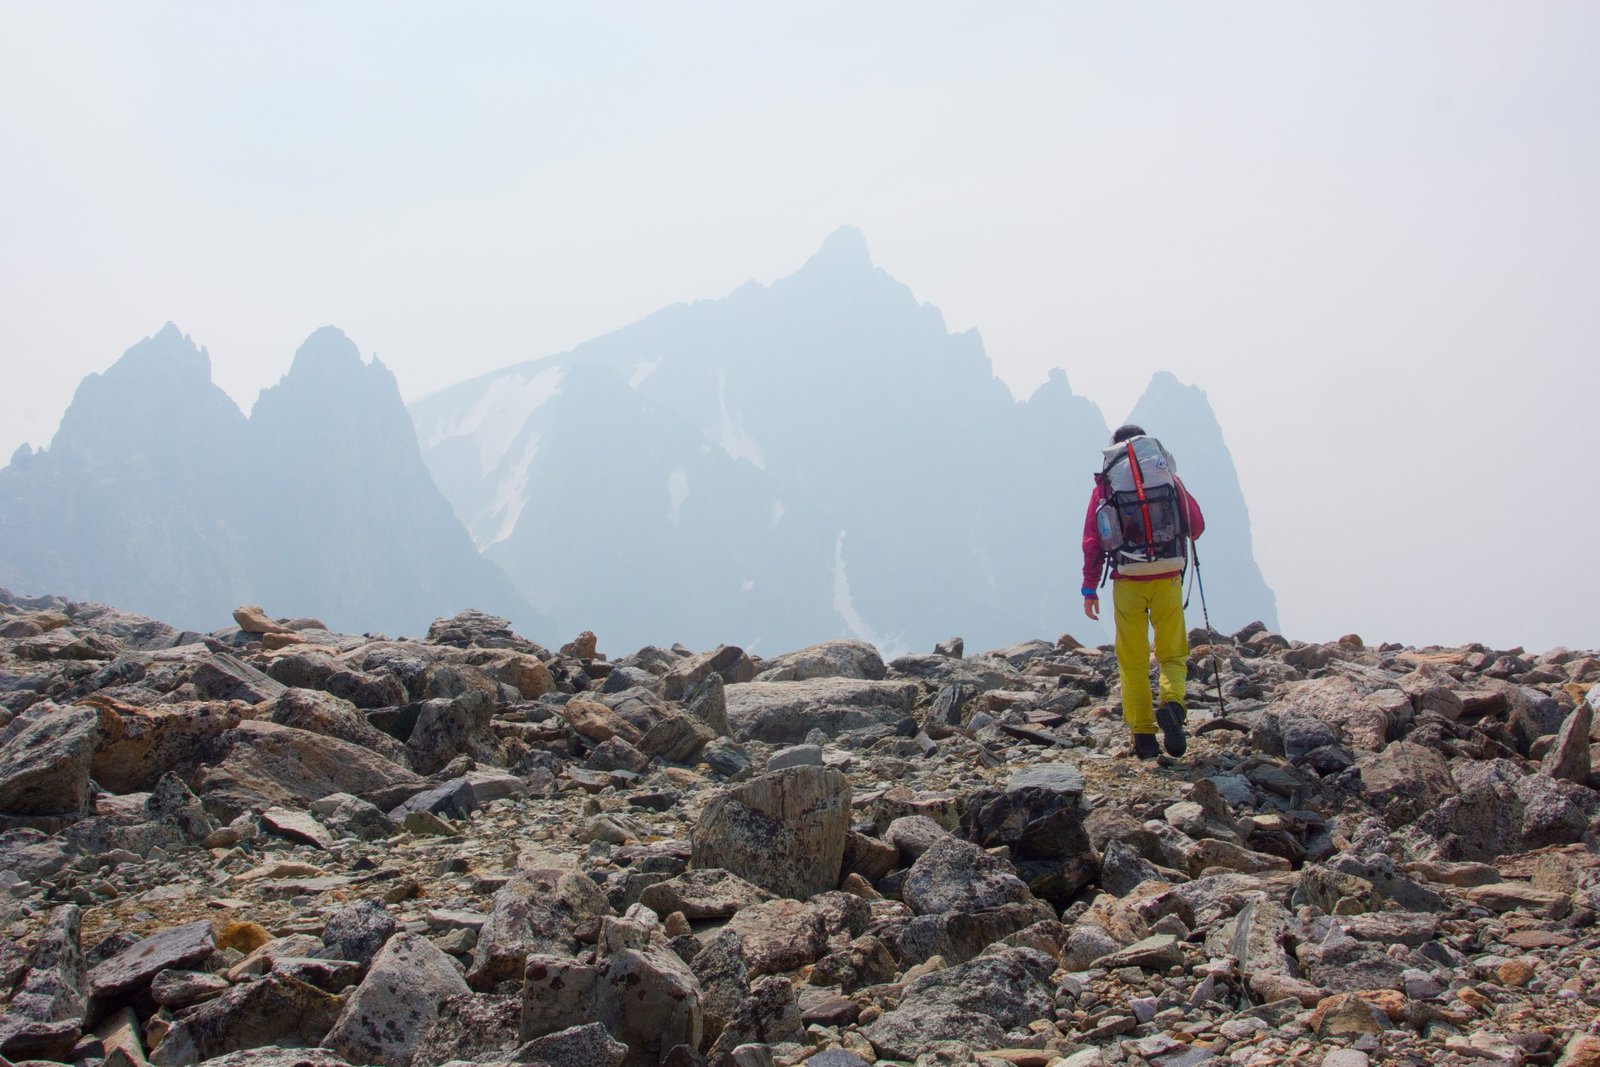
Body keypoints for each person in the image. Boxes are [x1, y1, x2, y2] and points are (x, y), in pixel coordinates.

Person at [1081, 424, 1205, 760]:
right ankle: (1173, 706)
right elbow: (1197, 525)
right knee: (1173, 654)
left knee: (1133, 661)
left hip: (1128, 580)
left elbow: (1093, 540)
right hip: (1167, 576)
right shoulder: (1167, 478)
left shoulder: (1106, 487)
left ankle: (1144, 736)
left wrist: (1089, 587)